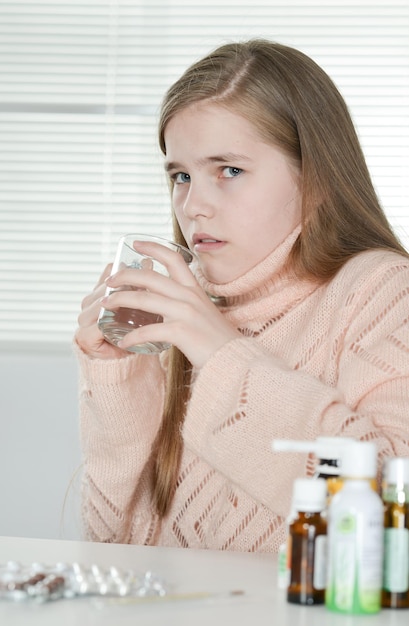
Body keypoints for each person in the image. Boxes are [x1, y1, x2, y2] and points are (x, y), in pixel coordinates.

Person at [75, 39, 409, 553]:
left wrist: (221, 353)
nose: (194, 206)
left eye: (228, 170)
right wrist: (120, 380)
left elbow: (391, 521)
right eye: (181, 176)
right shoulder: (180, 312)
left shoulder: (385, 293)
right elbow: (119, 550)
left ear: (315, 178)